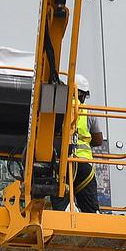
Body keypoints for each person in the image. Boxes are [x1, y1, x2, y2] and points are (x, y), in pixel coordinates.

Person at [50, 73, 103, 213]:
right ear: (83, 95)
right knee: (90, 209)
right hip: (84, 164)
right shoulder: (88, 110)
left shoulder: (58, 107)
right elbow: (98, 140)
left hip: (62, 163)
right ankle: (93, 216)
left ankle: (67, 209)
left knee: (60, 197)